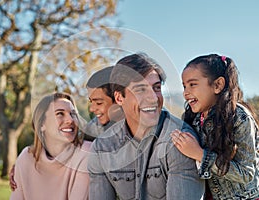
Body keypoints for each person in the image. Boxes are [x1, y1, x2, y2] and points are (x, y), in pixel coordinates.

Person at [88, 53, 205, 200]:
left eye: (156, 88)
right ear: (119, 98)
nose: (153, 98)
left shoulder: (180, 140)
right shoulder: (102, 148)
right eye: (140, 90)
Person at [171, 54, 259, 199]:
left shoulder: (240, 118)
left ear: (217, 85)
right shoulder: (192, 119)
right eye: (184, 86)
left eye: (192, 84)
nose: (186, 93)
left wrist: (200, 154)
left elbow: (246, 173)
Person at [10, 92, 90, 200]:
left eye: (73, 114)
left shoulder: (86, 152)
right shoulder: (26, 156)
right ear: (42, 124)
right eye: (60, 114)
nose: (70, 120)